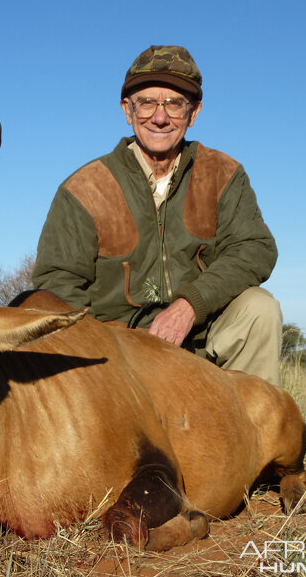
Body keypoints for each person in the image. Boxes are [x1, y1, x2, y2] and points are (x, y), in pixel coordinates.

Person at [32, 45, 283, 385]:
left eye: (174, 104)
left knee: (260, 310)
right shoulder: (84, 188)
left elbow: (255, 248)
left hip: (201, 337)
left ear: (193, 113)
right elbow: (57, 284)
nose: (160, 117)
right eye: (147, 102)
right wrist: (110, 346)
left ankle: (252, 433)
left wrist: (189, 306)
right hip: (116, 352)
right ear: (127, 110)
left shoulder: (223, 173)